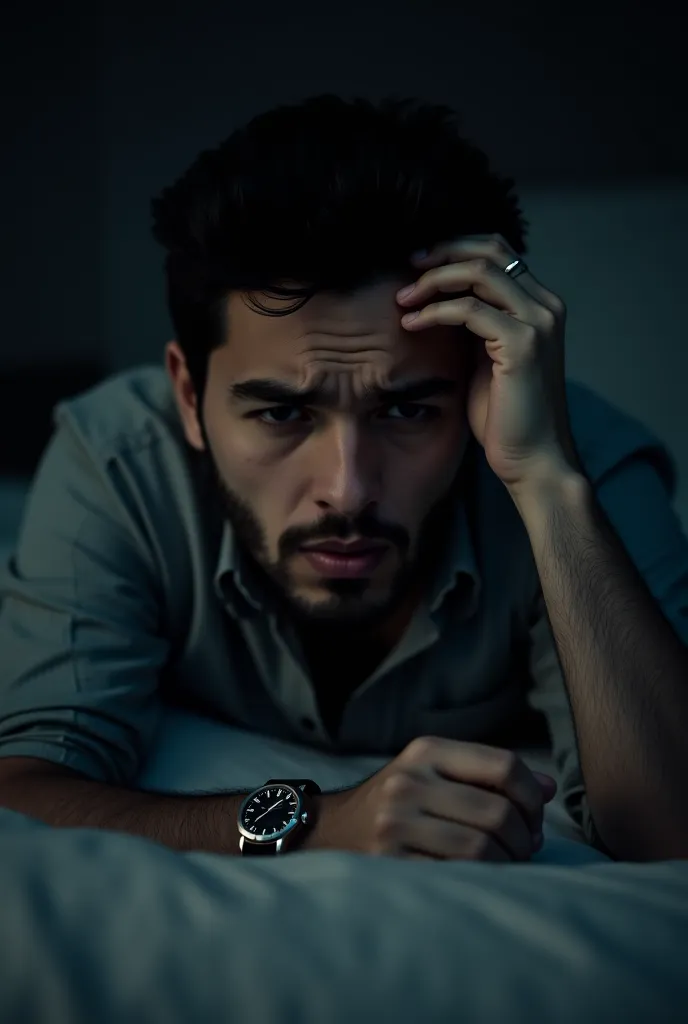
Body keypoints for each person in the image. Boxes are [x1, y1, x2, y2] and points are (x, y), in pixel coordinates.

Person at [1, 95, 687, 864]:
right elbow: (24, 790)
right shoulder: (119, 460)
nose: (348, 490)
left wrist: (550, 482)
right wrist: (318, 823)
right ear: (189, 398)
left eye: (407, 411)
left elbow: (675, 828)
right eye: (283, 415)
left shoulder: (577, 465)